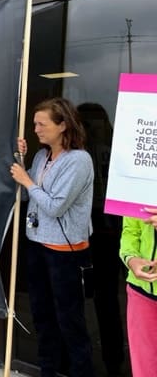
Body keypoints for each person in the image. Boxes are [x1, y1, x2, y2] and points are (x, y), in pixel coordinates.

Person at [10, 97, 95, 377]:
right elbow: (30, 195)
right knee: (42, 314)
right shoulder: (41, 156)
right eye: (35, 123)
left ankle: (80, 372)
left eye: (41, 123)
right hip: (37, 245)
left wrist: (27, 181)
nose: (35, 129)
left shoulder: (79, 160)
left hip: (65, 251)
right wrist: (21, 161)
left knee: (69, 320)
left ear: (62, 125)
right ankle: (49, 369)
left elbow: (55, 205)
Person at [78, 103, 124, 376]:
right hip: (84, 233)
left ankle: (114, 360)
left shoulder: (118, 152)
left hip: (112, 232)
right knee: (81, 299)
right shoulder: (77, 155)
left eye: (96, 123)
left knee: (107, 301)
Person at [119, 209, 157, 377]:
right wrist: (130, 258)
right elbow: (130, 230)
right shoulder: (143, 183)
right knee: (144, 369)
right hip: (141, 291)